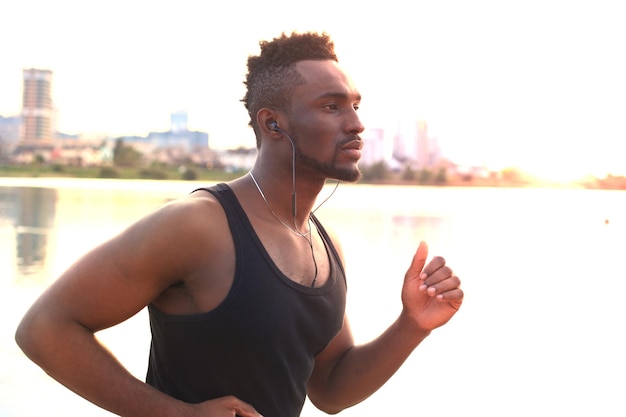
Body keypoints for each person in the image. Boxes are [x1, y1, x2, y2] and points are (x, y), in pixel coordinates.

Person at [15, 32, 463, 417]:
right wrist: (174, 414)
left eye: (355, 105)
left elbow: (330, 389)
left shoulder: (325, 244)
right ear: (272, 123)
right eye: (331, 107)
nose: (356, 124)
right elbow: (45, 328)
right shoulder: (197, 226)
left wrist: (412, 326)